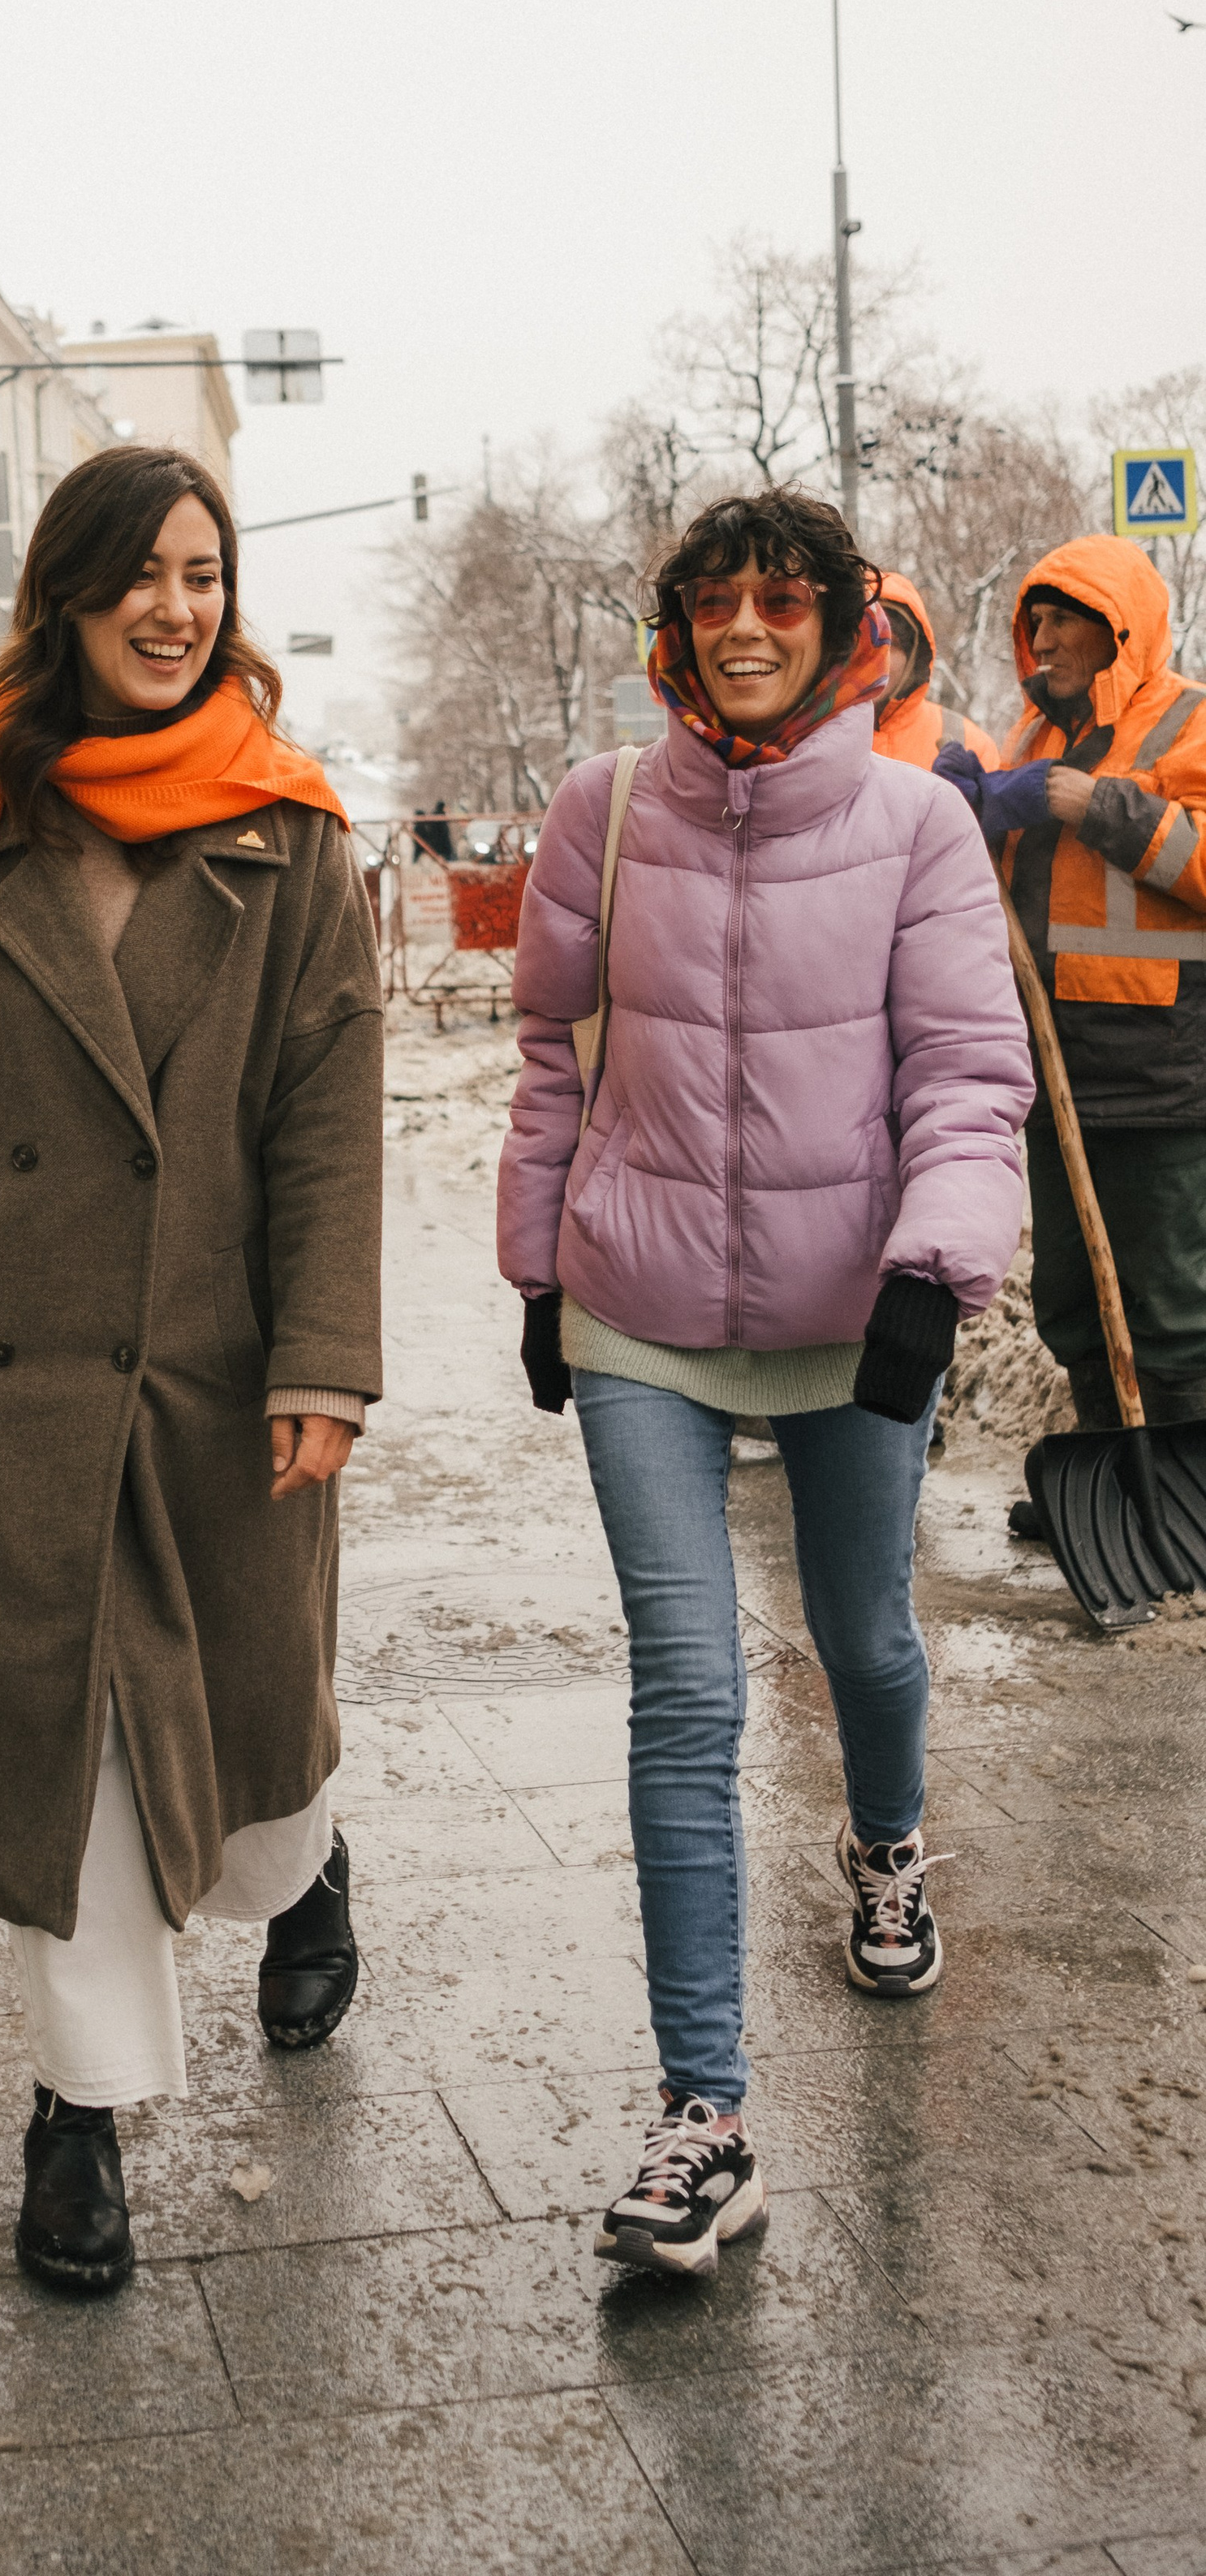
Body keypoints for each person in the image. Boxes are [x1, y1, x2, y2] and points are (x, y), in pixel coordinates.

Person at [0, 443, 383, 2297]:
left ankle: (304, 1871)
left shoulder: (290, 828)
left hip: (222, 1363)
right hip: (15, 1362)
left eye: (201, 572)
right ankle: (77, 2117)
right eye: (138, 573)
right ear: (63, 594)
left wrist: (320, 1352)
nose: (174, 606)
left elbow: (327, 1118)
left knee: (246, 1701)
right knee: (57, 1744)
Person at [502, 489, 1032, 2278]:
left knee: (862, 1637)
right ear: (676, 626)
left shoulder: (913, 825)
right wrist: (532, 1268)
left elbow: (968, 1074)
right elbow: (547, 1057)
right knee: (685, 1684)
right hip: (638, 1303)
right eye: (713, 598)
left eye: (778, 600)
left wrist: (931, 1270)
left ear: (833, 627)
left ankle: (883, 1848)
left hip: (848, 1313)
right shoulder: (605, 806)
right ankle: (699, 2115)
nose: (744, 625)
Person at [934, 536, 1206, 1429]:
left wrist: (1093, 805)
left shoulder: (1187, 722)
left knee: (1167, 1308)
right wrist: (963, 821)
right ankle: (1104, 1475)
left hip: (1161, 1077)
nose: (1040, 639)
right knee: (1069, 1300)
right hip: (1051, 1073)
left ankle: (1177, 1491)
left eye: (1061, 621)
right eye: (1033, 622)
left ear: (1115, 631)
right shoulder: (1034, 737)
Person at [872, 572, 999, 772]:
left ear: (913, 660)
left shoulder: (969, 743)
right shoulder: (809, 730)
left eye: (893, 643)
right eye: (860, 637)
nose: (876, 654)